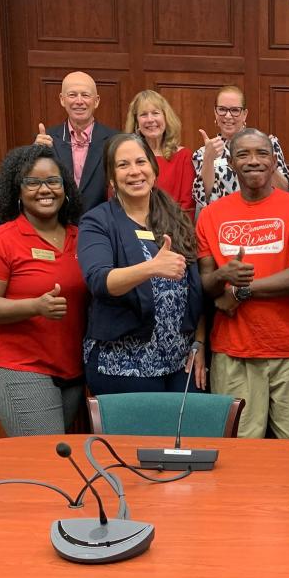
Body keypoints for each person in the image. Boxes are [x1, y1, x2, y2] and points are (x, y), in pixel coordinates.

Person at [197, 129, 289, 439]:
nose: (254, 161)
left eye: (262, 153)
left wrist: (241, 290)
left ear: (275, 161)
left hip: (288, 349)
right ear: (231, 163)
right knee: (239, 456)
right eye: (243, 155)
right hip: (233, 352)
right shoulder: (210, 215)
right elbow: (206, 284)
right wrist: (224, 277)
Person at [0, 145, 87, 435]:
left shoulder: (82, 238)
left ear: (65, 187)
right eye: (32, 183)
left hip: (72, 371)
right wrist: (35, 306)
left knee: (56, 461)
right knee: (46, 462)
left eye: (53, 181)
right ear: (17, 190)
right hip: (20, 369)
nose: (44, 190)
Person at [78, 134, 207, 395]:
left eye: (141, 162)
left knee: (188, 436)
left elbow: (197, 288)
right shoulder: (98, 222)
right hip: (123, 366)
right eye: (123, 165)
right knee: (134, 438)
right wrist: (151, 268)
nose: (135, 171)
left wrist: (200, 343)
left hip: (180, 364)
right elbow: (100, 281)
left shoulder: (175, 216)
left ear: (153, 168)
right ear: (112, 178)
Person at [191, 85, 289, 212]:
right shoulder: (203, 152)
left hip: (264, 216)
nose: (227, 116)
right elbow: (204, 197)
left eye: (235, 110)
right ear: (215, 112)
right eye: (222, 109)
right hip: (224, 219)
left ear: (244, 114)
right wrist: (208, 159)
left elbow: (285, 190)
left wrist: (267, 161)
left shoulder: (268, 144)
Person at [34, 71, 118, 211]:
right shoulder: (46, 140)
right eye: (72, 95)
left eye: (85, 95)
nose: (79, 101)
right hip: (57, 225)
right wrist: (34, 155)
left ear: (96, 101)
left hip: (101, 226)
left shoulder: (115, 140)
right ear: (62, 99)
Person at [124, 89, 194, 213]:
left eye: (155, 113)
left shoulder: (183, 156)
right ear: (136, 123)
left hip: (174, 228)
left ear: (166, 118)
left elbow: (187, 206)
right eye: (143, 114)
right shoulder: (127, 158)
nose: (150, 119)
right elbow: (119, 198)